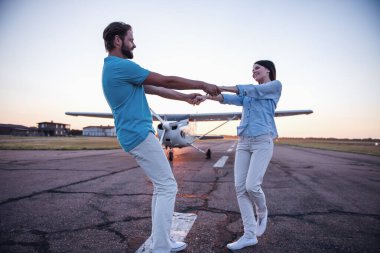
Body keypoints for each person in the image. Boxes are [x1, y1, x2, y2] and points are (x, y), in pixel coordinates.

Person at [101, 22, 220, 253]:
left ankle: (160, 241)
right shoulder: (120, 66)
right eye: (130, 39)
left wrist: (185, 98)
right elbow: (165, 80)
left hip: (135, 134)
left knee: (161, 186)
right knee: (168, 186)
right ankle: (162, 245)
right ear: (118, 41)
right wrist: (202, 83)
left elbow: (157, 89)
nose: (134, 43)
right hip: (138, 134)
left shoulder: (115, 69)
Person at [197, 60, 281, 250]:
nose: (253, 72)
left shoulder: (274, 87)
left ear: (268, 69)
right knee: (240, 188)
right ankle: (249, 234)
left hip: (262, 141)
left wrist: (220, 86)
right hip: (244, 142)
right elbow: (227, 99)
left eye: (256, 68)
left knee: (252, 185)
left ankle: (262, 210)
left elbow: (251, 90)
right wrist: (207, 96)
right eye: (252, 70)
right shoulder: (248, 95)